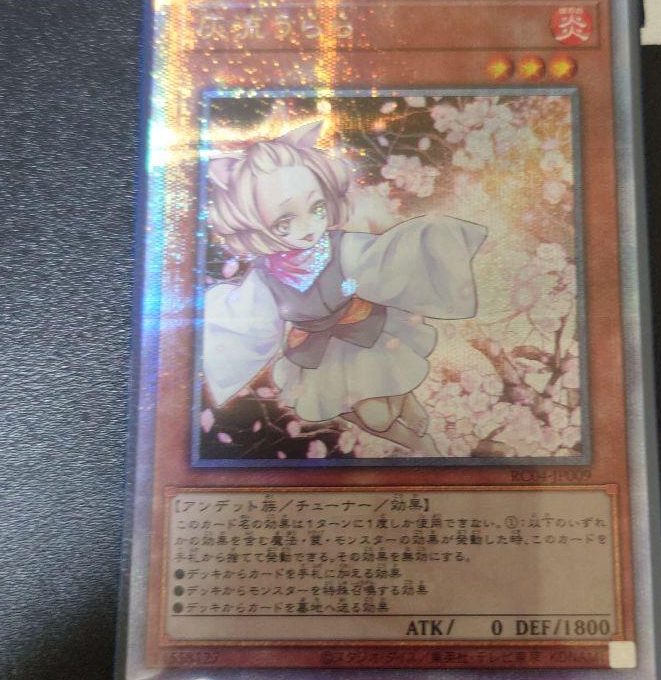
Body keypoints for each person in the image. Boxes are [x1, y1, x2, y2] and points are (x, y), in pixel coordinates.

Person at [202, 121, 486, 456]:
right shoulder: (264, 277)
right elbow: (247, 323)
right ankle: (413, 440)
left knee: (386, 391)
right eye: (284, 222)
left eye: (317, 208)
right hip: (317, 353)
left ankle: (407, 402)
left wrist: (426, 244)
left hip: (365, 331)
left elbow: (384, 262)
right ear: (254, 227)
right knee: (363, 413)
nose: (308, 227)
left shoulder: (342, 245)